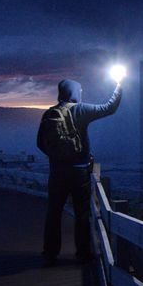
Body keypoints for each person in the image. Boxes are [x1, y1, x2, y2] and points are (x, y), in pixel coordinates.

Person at [39, 76, 122, 265]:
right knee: (82, 212)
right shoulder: (81, 109)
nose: (82, 93)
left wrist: (57, 158)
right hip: (79, 172)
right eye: (80, 90)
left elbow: (40, 143)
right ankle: (83, 253)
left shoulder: (49, 113)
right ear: (75, 92)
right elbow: (109, 108)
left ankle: (50, 253)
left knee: (54, 212)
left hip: (57, 172)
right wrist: (119, 85)